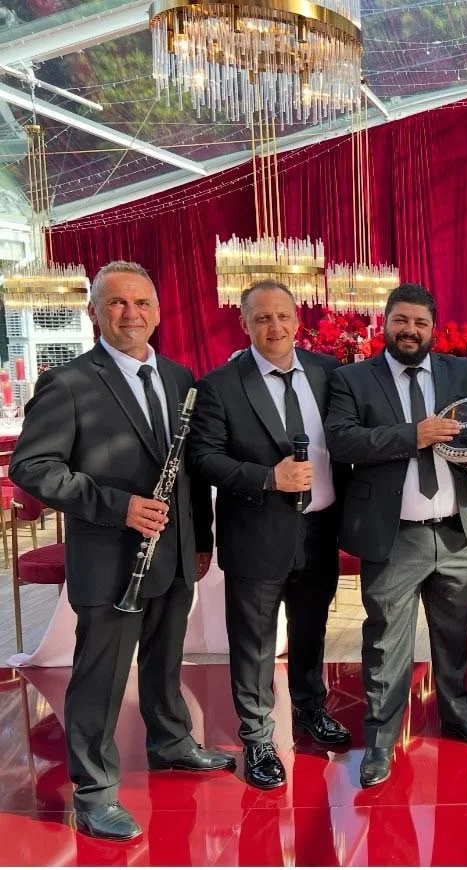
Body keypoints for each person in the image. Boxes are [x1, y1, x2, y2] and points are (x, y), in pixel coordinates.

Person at [9, 260, 234, 841]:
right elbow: (31, 468)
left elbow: (189, 475)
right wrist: (118, 505)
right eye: (116, 303)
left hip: (177, 553)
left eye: (141, 303)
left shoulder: (183, 378)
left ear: (157, 312)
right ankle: (94, 791)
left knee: (164, 663)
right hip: (112, 561)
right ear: (94, 313)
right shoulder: (70, 383)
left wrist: (201, 541)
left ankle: (173, 742)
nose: (131, 314)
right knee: (100, 676)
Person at [325, 283, 467, 788]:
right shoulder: (353, 379)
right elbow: (342, 439)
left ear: (433, 329)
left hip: (458, 532)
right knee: (386, 641)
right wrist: (414, 434)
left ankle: (457, 714)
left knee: (453, 638)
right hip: (393, 538)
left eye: (420, 322)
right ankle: (380, 738)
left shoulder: (460, 372)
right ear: (386, 323)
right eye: (401, 320)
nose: (410, 330)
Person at [188, 279, 352, 791]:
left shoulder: (330, 374)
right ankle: (258, 737)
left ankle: (309, 709)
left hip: (319, 530)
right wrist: (266, 477)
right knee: (255, 644)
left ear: (297, 318)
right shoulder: (220, 385)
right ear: (244, 324)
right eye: (261, 318)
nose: (274, 326)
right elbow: (203, 458)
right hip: (256, 533)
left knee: (311, 630)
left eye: (282, 315)